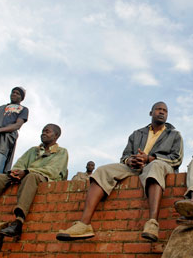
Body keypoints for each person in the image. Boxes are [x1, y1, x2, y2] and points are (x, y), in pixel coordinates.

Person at [56, 102, 183, 242]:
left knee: (155, 166)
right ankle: (84, 224)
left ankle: (152, 223)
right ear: (151, 113)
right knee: (102, 171)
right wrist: (130, 160)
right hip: (135, 167)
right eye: (158, 109)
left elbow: (176, 159)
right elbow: (125, 156)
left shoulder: (174, 135)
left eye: (165, 110)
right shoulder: (137, 134)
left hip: (159, 165)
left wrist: (149, 158)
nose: (162, 112)